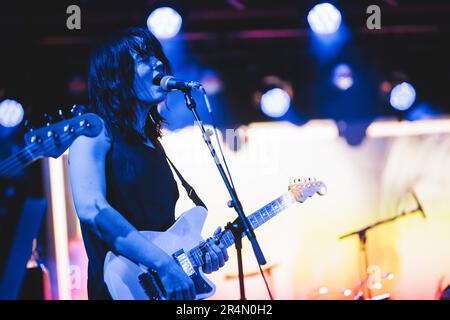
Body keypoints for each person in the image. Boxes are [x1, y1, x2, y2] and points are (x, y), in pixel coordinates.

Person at [68, 27, 228, 300]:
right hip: (118, 290)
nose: (157, 62)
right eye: (143, 57)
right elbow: (91, 209)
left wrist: (196, 258)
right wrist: (163, 265)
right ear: (116, 75)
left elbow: (162, 233)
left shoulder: (153, 144)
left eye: (156, 55)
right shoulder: (93, 133)